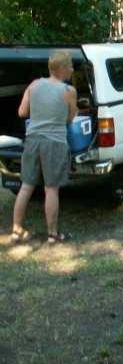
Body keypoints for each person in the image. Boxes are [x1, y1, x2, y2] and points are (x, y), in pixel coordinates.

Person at [11, 51, 77, 243]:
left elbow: (22, 112)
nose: (72, 69)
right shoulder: (69, 91)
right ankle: (52, 234)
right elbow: (70, 119)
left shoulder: (33, 85)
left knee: (26, 186)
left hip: (32, 140)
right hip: (54, 143)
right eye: (70, 66)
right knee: (51, 189)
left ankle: (16, 230)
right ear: (62, 68)